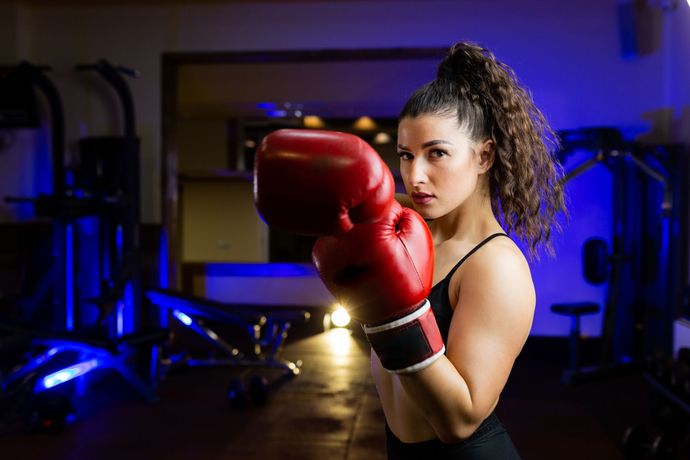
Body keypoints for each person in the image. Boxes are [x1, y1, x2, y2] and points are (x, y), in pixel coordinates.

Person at [254, 41, 566, 460]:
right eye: (405, 155)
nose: (415, 175)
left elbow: (460, 420)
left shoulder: (496, 266)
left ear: (484, 155)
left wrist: (394, 315)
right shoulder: (404, 230)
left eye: (437, 153)